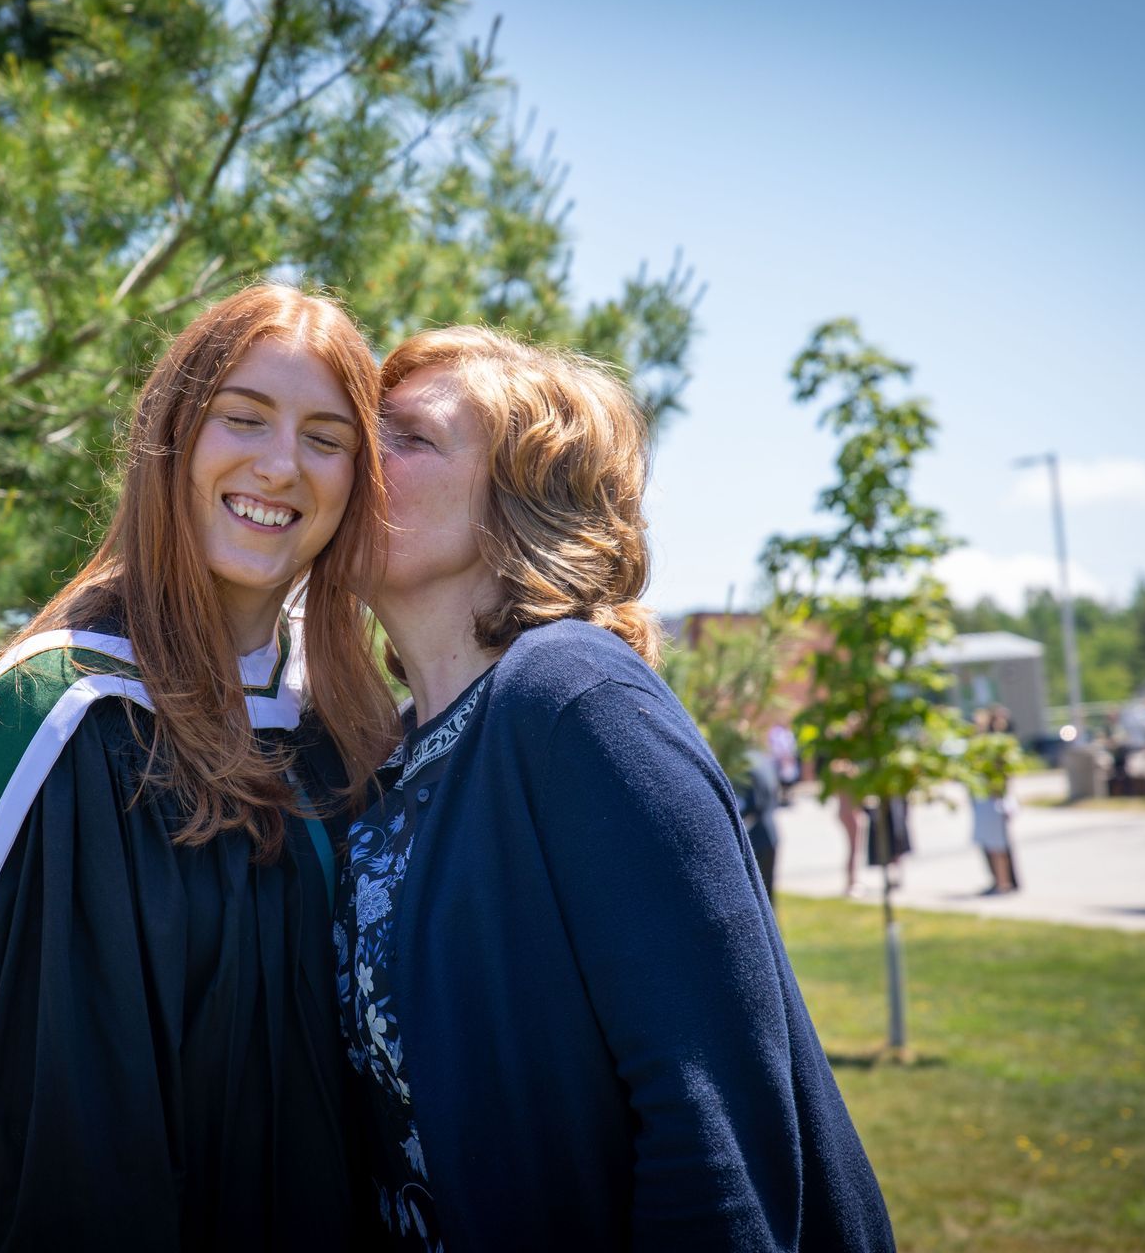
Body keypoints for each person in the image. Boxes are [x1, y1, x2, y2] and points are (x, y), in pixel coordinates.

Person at [0, 285, 398, 1251]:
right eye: (244, 418)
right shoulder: (67, 719)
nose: (281, 467)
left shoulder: (340, 730)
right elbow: (69, 1130)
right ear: (171, 438)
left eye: (326, 438)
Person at [336, 326, 893, 1249]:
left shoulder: (573, 698)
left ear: (521, 502)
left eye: (410, 436)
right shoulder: (390, 757)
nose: (359, 453)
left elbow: (711, 1120)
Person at [969, 707, 1021, 895]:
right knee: (993, 845)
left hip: (992, 799)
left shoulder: (994, 746)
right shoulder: (984, 746)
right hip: (986, 800)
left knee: (997, 845)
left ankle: (1003, 882)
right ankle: (1001, 880)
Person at [740, 747, 783, 897]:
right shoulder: (764, 759)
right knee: (768, 895)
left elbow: (752, 804)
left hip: (755, 837)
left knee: (756, 895)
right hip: (771, 833)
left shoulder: (745, 765)